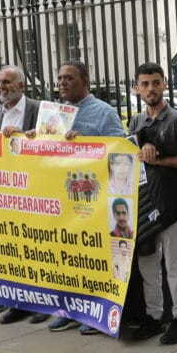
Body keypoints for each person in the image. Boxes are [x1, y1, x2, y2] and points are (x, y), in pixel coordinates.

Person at [37, 59, 125, 334]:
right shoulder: (54, 114)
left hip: (94, 202)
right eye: (60, 77)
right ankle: (70, 310)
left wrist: (86, 141)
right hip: (63, 200)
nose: (62, 82)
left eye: (69, 78)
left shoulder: (103, 113)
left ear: (85, 80)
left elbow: (120, 151)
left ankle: (95, 314)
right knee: (67, 257)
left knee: (94, 259)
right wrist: (34, 138)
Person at [128, 62, 177, 345]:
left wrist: (159, 159)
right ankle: (154, 316)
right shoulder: (136, 121)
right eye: (145, 84)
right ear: (137, 88)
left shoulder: (176, 120)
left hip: (171, 200)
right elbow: (129, 154)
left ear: (164, 85)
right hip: (146, 201)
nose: (150, 89)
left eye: (155, 83)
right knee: (148, 263)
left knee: (175, 263)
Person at [0, 65, 45, 325]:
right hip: (6, 192)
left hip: (34, 191)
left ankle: (42, 304)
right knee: (13, 251)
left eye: (7, 82)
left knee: (36, 250)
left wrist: (24, 136)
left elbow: (49, 141)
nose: (2, 86)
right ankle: (18, 303)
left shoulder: (38, 109)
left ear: (21, 86)